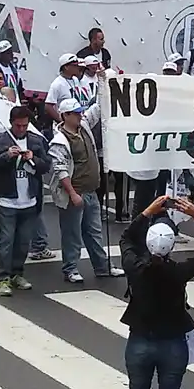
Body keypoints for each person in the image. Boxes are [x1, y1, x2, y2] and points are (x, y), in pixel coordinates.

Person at [119, 195, 194, 389]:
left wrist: (147, 212)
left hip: (140, 340)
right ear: (172, 246)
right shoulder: (179, 272)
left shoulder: (135, 267)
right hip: (173, 343)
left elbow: (127, 238)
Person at [49, 97, 125, 283]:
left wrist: (104, 84)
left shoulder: (84, 128)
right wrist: (73, 194)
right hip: (74, 194)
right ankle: (70, 269)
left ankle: (102, 266)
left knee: (94, 232)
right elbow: (60, 170)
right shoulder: (59, 140)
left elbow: (98, 109)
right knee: (72, 234)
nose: (80, 115)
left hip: (91, 190)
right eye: (75, 113)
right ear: (65, 115)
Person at [0, 104, 52, 296]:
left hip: (29, 200)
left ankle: (17, 273)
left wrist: (34, 159)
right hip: (7, 199)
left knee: (23, 242)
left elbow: (46, 165)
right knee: (6, 241)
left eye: (24, 125)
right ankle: (2, 278)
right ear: (11, 123)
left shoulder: (36, 141)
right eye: (17, 125)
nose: (21, 129)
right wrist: (6, 156)